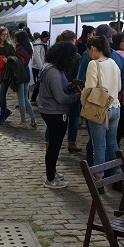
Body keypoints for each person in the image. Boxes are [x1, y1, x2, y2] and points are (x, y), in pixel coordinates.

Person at [37, 42, 81, 189]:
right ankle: (50, 178)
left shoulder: (50, 67)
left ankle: (53, 172)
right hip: (55, 112)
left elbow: (60, 89)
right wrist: (77, 96)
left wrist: (70, 86)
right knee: (54, 146)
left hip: (51, 110)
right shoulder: (53, 71)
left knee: (54, 145)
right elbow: (61, 97)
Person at [85, 36, 122, 179]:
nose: (89, 53)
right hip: (115, 106)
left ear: (93, 48)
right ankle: (119, 172)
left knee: (98, 144)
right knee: (112, 141)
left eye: (89, 50)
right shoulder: (113, 62)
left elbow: (89, 88)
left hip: (99, 107)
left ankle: (99, 176)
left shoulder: (94, 64)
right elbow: (118, 86)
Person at [7, 30, 38, 129]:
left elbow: (18, 63)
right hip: (26, 73)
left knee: (21, 99)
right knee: (25, 98)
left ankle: (23, 121)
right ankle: (33, 118)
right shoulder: (28, 47)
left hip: (21, 74)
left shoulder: (20, 49)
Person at [30, 32, 49, 103]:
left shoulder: (43, 44)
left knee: (39, 83)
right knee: (39, 83)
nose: (47, 40)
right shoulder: (37, 44)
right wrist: (42, 68)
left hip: (42, 66)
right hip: (37, 67)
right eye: (46, 38)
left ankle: (34, 99)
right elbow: (37, 57)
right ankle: (34, 99)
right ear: (43, 37)